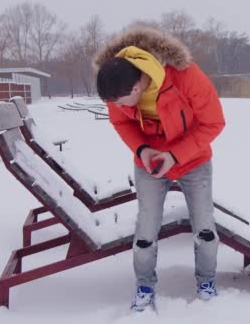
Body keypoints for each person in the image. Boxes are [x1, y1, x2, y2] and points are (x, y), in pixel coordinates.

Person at [94, 26, 225, 311]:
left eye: (120, 101)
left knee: (204, 226)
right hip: (150, 163)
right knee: (146, 228)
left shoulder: (186, 76)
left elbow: (214, 122)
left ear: (137, 87)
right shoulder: (117, 84)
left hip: (194, 160)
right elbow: (121, 122)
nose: (117, 107)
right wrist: (142, 150)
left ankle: (206, 282)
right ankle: (144, 286)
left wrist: (175, 156)